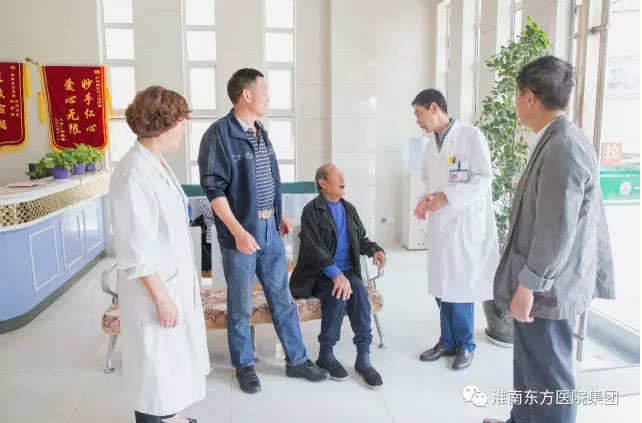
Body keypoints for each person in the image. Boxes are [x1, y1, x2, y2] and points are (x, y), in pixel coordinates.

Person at [484, 56, 615, 423]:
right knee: (529, 363)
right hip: (545, 282)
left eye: (516, 95)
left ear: (529, 97)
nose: (515, 102)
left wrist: (529, 286)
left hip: (549, 288)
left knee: (550, 376)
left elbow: (555, 232)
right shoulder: (558, 140)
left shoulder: (563, 147)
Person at [198, 68, 329, 394]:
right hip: (241, 235)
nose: (269, 97)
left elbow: (266, 180)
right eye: (264, 89)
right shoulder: (219, 134)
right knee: (240, 304)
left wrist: (278, 214)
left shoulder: (260, 132)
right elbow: (214, 190)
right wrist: (238, 232)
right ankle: (244, 365)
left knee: (282, 298)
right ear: (247, 94)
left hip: (270, 230)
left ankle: (297, 360)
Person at [109, 86, 210, 423]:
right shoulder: (133, 173)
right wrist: (162, 298)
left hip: (170, 284)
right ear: (163, 123)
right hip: (154, 292)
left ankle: (172, 418)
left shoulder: (156, 164)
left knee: (169, 370)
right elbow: (135, 248)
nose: (184, 128)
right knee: (155, 374)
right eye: (181, 121)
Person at [412, 89, 499, 370]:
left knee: (460, 287)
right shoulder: (430, 146)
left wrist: (447, 197)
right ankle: (447, 341)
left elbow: (484, 178)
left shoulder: (471, 136)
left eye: (419, 113)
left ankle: (466, 345)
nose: (417, 120)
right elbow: (429, 183)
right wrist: (424, 201)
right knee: (442, 286)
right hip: (440, 225)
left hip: (463, 225)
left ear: (434, 107)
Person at [290, 164, 387, 389]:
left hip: (347, 271)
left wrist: (375, 250)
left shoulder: (349, 209)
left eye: (343, 176)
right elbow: (314, 249)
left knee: (359, 291)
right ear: (323, 183)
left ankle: (363, 357)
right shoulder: (311, 211)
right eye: (338, 177)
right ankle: (326, 354)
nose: (343, 179)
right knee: (338, 293)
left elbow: (361, 240)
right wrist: (335, 274)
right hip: (319, 274)